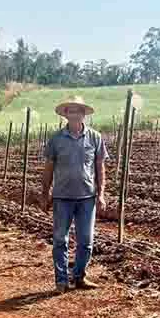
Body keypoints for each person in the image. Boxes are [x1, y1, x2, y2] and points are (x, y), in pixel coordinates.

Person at [40, 96, 107, 293]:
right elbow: (49, 168)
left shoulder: (95, 137)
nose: (74, 114)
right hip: (62, 197)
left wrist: (101, 193)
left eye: (78, 111)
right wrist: (45, 193)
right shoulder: (56, 139)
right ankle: (61, 281)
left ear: (83, 114)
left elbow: (100, 167)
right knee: (60, 239)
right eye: (70, 111)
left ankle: (79, 277)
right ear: (66, 115)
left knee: (86, 241)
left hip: (87, 197)